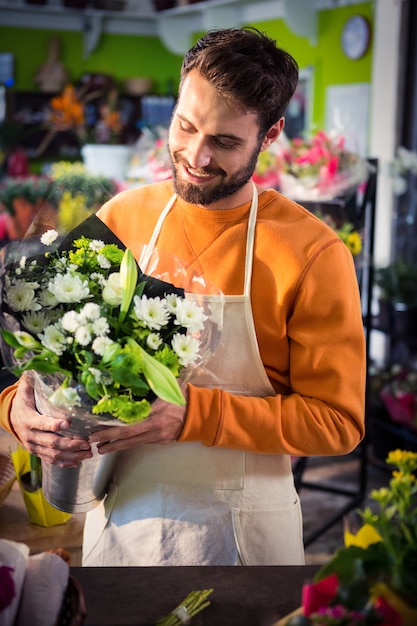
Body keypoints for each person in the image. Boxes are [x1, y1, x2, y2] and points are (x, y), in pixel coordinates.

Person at [0, 27, 366, 566]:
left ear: (270, 135)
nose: (195, 156)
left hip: (243, 545)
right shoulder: (122, 218)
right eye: (185, 126)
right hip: (121, 532)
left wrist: (193, 414)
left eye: (225, 141)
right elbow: (46, 356)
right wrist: (19, 412)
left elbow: (338, 421)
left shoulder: (311, 251)